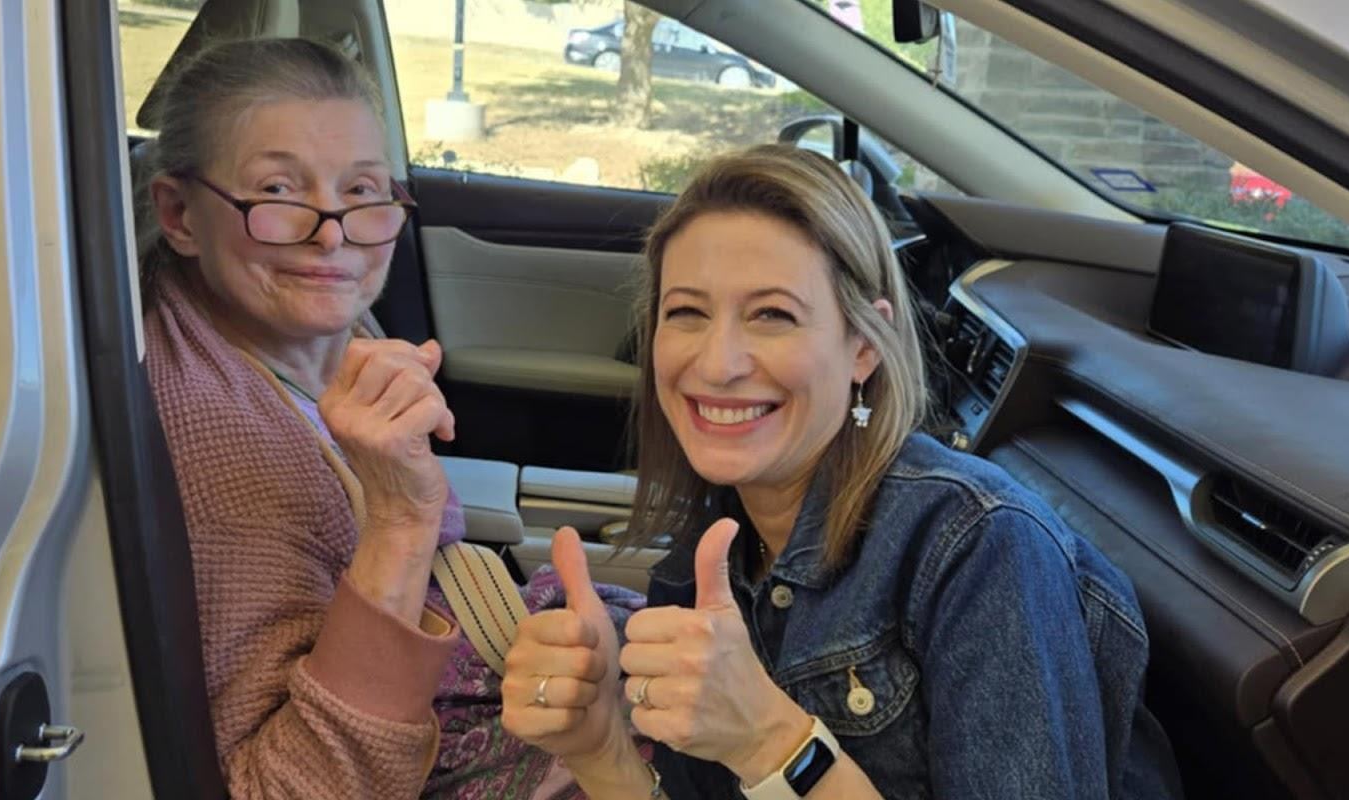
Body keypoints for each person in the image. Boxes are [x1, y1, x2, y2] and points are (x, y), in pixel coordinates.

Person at [501, 144, 1183, 799]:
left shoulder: (977, 548)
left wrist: (774, 742)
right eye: (687, 313)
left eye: (773, 315)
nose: (717, 362)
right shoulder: (706, 558)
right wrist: (598, 749)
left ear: (861, 346)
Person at [138, 38, 640, 800]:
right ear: (179, 213)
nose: (332, 233)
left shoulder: (301, 337)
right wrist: (403, 520)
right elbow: (285, 787)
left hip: (467, 649)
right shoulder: (217, 443)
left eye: (363, 190)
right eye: (279, 190)